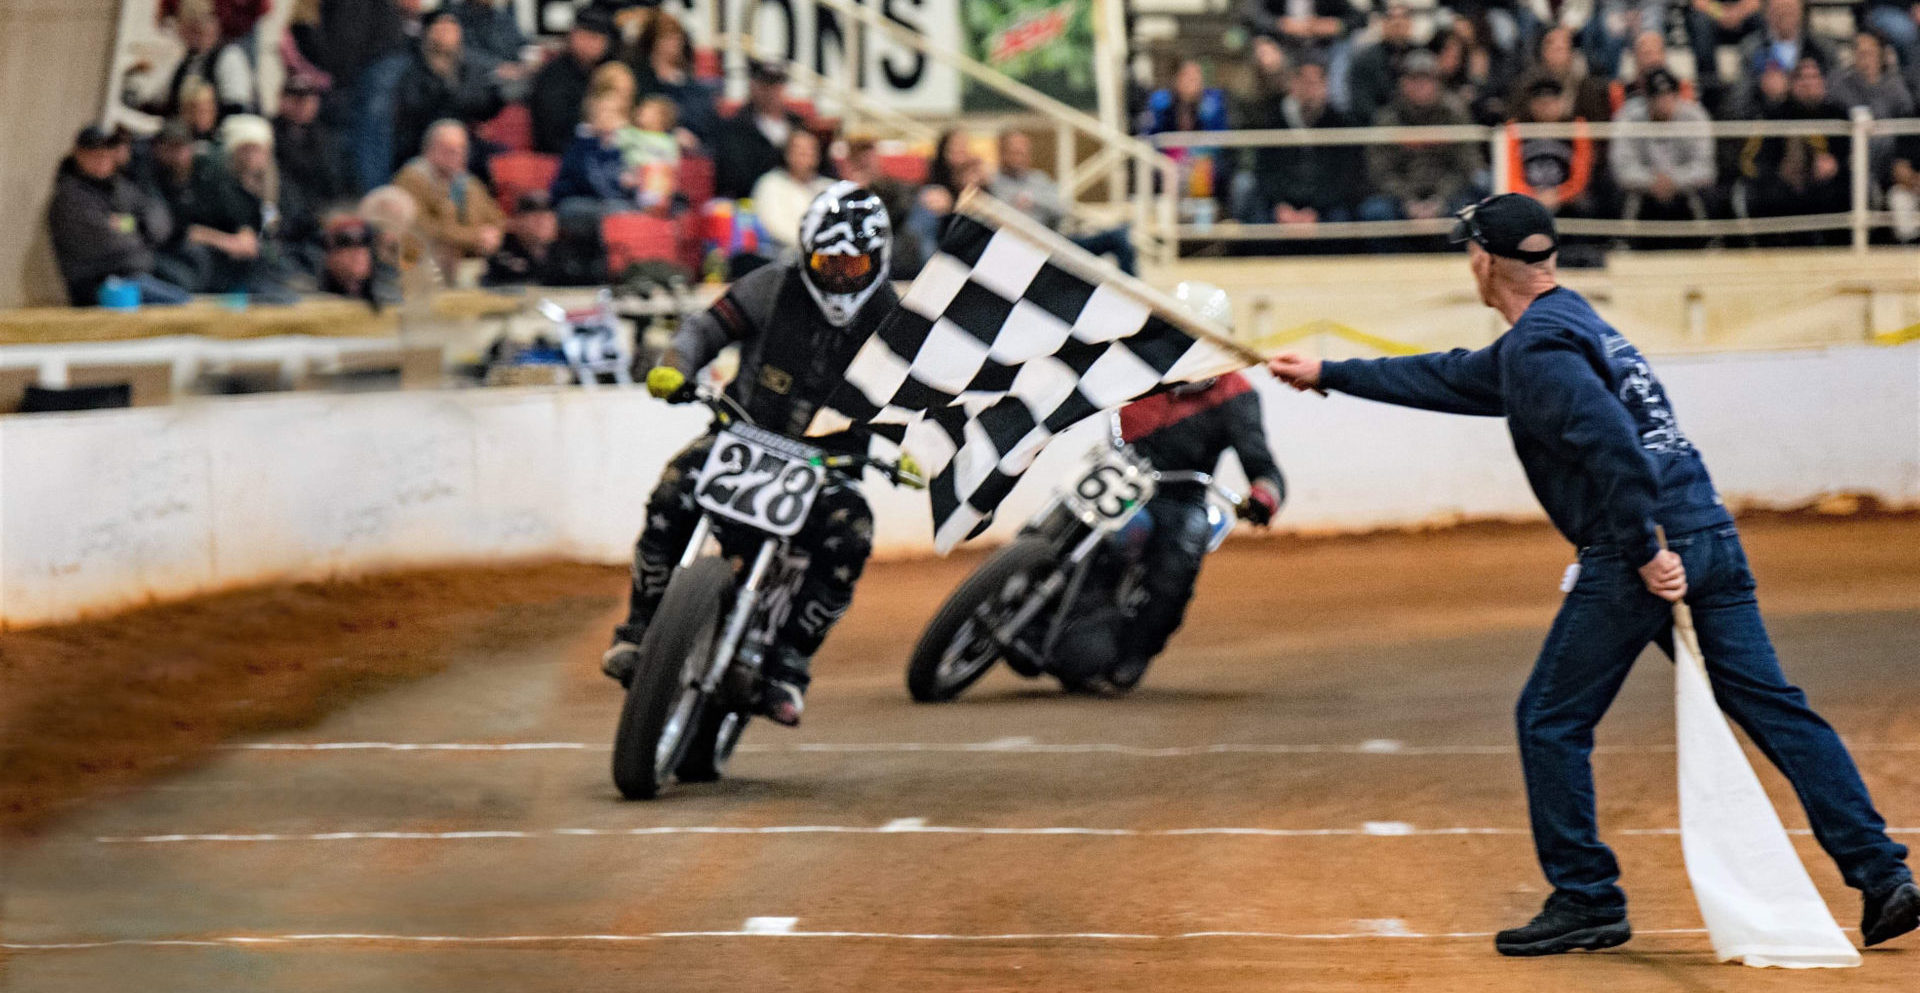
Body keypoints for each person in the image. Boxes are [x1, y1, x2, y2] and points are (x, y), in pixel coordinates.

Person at [1266, 192, 1920, 957]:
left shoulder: (1538, 351)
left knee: (1549, 718)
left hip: (1639, 550)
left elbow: (1615, 446)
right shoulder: (1567, 324)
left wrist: (1644, 550)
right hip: (1709, 532)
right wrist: (1327, 372)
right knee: (1774, 708)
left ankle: (1586, 895)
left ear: (1483, 261)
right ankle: (1882, 875)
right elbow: (1451, 377)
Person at [604, 183, 902, 727]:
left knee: (851, 534)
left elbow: (925, 398)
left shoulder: (900, 323)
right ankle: (640, 627)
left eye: (853, 263)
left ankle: (789, 663)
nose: (838, 275)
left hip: (828, 467)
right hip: (742, 440)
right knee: (673, 490)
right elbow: (705, 328)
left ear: (878, 260)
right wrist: (677, 362)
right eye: (826, 261)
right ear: (807, 253)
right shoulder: (770, 285)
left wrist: (920, 451)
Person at [1093, 281, 1284, 690]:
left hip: (1178, 496)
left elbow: (1264, 466)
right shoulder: (1135, 365)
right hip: (1119, 474)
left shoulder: (1236, 395)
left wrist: (1262, 498)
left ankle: (1135, 653)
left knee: (1177, 568)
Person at [48, 125, 193, 306]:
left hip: (137, 273)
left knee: (186, 284)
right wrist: (138, 229)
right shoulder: (69, 197)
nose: (102, 158)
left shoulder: (120, 187)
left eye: (107, 151)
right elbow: (104, 239)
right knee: (177, 304)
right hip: (98, 283)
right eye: (95, 152)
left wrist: (130, 224)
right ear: (79, 154)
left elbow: (158, 218)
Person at [987, 129, 1138, 275]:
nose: (1020, 158)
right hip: (1027, 250)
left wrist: (1033, 200)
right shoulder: (993, 183)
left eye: (1024, 152)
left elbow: (1063, 208)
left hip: (1058, 242)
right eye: (1015, 153)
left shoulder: (1038, 178)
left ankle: (1134, 295)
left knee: (1119, 236)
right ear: (1002, 153)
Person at [1360, 51, 1482, 229]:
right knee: (1375, 212)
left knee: (1473, 208)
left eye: (1426, 80)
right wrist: (1408, 200)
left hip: (1447, 194)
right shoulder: (1387, 118)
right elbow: (1380, 171)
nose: (1420, 86)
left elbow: (1466, 166)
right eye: (1413, 80)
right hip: (1400, 196)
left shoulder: (1455, 114)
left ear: (1438, 83)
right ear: (1402, 83)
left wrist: (1439, 200)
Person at [1240, 59, 1366, 230]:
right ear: (1293, 84)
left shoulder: (1340, 123)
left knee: (1342, 217)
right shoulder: (1273, 120)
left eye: (1315, 83)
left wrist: (1315, 210)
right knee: (1254, 210)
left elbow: (1344, 176)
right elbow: (1264, 171)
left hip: (1323, 205)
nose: (1310, 91)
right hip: (1281, 203)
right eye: (1305, 82)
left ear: (1325, 86)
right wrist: (1280, 206)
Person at [1738, 56, 1850, 243]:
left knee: (1846, 190)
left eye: (1814, 77)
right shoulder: (1775, 115)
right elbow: (1755, 160)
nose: (1808, 83)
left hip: (1826, 186)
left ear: (1823, 82)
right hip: (1781, 188)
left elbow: (1850, 155)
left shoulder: (1838, 115)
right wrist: (1779, 173)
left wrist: (1835, 164)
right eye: (1802, 78)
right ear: (1792, 83)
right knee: (1765, 196)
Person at [388, 9, 507, 173]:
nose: (447, 33)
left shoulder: (470, 69)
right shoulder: (410, 70)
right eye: (440, 27)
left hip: (467, 142)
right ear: (428, 33)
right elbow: (417, 109)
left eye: (452, 27)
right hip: (422, 144)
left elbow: (484, 105)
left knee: (501, 158)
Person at [392, 119, 506, 275]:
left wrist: (493, 235)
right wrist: (475, 237)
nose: (457, 155)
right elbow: (423, 227)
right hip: (425, 265)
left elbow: (496, 218)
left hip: (470, 261)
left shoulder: (468, 183)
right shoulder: (412, 179)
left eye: (461, 149)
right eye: (449, 150)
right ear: (430, 150)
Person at [1610, 68, 1715, 228]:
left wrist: (1674, 180)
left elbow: (1706, 168)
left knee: (1705, 193)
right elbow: (1621, 167)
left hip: (1684, 188)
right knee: (1621, 194)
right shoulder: (1628, 117)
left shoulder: (1695, 117)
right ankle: (1625, 243)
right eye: (1657, 97)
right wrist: (1651, 181)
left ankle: (1708, 242)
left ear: (1677, 95)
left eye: (1669, 96)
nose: (1664, 102)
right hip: (1644, 189)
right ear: (1646, 98)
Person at [713, 59, 808, 199]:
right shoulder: (735, 127)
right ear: (753, 86)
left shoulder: (799, 125)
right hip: (753, 201)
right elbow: (734, 178)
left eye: (777, 84)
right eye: (766, 85)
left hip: (798, 194)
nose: (772, 92)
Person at [528, 6, 616, 155]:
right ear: (573, 35)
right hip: (562, 156)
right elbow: (551, 134)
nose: (592, 44)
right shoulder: (553, 75)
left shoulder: (608, 72)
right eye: (588, 36)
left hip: (605, 153)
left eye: (599, 39)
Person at [630, 11, 719, 148]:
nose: (674, 44)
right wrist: (670, 135)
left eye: (677, 38)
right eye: (666, 38)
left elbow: (702, 120)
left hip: (692, 147)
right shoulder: (641, 80)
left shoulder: (690, 84)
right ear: (653, 42)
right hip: (650, 145)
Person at [274, 75, 350, 214]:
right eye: (295, 99)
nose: (301, 106)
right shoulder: (271, 134)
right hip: (287, 207)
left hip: (322, 206)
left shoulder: (323, 135)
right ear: (281, 100)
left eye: (307, 100)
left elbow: (333, 181)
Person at [750, 129, 833, 254]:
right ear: (787, 154)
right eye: (799, 150)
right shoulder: (770, 184)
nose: (805, 154)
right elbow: (774, 227)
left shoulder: (830, 188)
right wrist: (812, 246)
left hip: (828, 258)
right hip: (782, 257)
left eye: (810, 150)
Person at [1348, 3, 1420, 124]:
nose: (1398, 23)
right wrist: (1386, 122)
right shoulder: (1366, 59)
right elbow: (1361, 101)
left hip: (1419, 126)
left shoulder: (1422, 56)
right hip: (1378, 129)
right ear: (1383, 23)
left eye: (1404, 17)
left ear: (1410, 23)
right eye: (1391, 18)